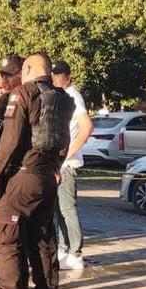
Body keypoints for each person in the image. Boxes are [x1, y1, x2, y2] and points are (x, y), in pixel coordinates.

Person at [0, 53, 73, 289]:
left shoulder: (23, 94)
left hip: (22, 176)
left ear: (29, 70)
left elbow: (10, 141)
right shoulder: (63, 99)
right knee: (42, 244)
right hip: (48, 178)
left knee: (7, 241)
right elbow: (63, 139)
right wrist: (56, 166)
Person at [51, 60, 94, 271]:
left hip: (67, 164)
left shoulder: (74, 97)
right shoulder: (61, 97)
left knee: (67, 208)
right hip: (60, 163)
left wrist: (68, 153)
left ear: (68, 77)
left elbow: (87, 127)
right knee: (58, 209)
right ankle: (64, 248)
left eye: (59, 75)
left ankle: (75, 253)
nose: (55, 78)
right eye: (53, 74)